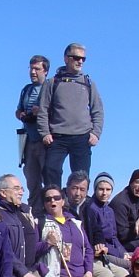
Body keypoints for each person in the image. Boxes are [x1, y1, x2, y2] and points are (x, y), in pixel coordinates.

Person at [37, 43, 104, 187]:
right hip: (57, 138)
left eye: (83, 59)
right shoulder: (52, 83)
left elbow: (97, 109)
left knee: (81, 178)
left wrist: (96, 133)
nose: (80, 61)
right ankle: (54, 204)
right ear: (66, 59)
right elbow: (43, 110)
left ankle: (78, 208)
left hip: (82, 137)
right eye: (76, 58)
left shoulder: (88, 83)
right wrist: (45, 133)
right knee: (50, 170)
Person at [36, 184, 96, 277]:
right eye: (48, 199)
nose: (52, 201)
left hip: (81, 274)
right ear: (44, 204)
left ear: (63, 201)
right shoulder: (40, 223)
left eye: (56, 198)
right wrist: (48, 243)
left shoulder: (75, 223)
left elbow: (88, 249)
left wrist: (89, 271)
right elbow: (32, 251)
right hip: (60, 275)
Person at [64, 171, 120, 277]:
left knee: (123, 274)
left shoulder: (88, 207)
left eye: (82, 189)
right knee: (105, 276)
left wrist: (99, 243)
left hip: (94, 256)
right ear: (67, 188)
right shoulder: (60, 207)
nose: (78, 193)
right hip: (77, 261)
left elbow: (96, 230)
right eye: (74, 188)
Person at [15, 55, 50, 213]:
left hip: (45, 141)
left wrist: (41, 111)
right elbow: (17, 110)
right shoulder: (26, 90)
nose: (33, 72)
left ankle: (50, 211)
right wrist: (22, 114)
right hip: (28, 141)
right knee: (32, 181)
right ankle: (35, 214)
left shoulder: (51, 88)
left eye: (37, 69)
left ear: (45, 71)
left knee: (49, 179)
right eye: (31, 69)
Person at [87, 172, 131, 276]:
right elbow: (97, 240)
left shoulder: (109, 210)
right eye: (101, 189)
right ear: (95, 189)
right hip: (103, 253)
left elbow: (114, 237)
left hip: (114, 250)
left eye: (108, 190)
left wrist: (123, 252)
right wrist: (119, 254)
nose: (104, 193)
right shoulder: (91, 209)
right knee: (131, 265)